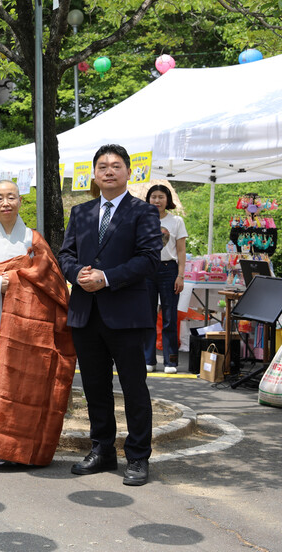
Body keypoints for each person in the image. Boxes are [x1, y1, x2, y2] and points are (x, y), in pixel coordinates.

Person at [58, 144, 162, 487]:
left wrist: (107, 277)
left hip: (127, 314)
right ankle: (102, 449)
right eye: (102, 166)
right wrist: (78, 275)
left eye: (116, 166)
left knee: (134, 387)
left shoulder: (143, 212)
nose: (108, 171)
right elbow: (66, 255)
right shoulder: (81, 212)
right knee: (95, 387)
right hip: (86, 313)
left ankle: (137, 456)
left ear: (129, 172)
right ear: (94, 173)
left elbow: (149, 259)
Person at [0, 181, 76, 467]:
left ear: (20, 201)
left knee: (26, 387)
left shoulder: (33, 240)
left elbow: (53, 282)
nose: (6, 202)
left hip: (27, 326)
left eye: (11, 197)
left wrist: (23, 283)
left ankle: (26, 450)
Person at [144, 184, 187, 374]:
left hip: (169, 270)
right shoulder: (142, 220)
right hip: (147, 270)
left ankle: (170, 362)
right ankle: (148, 360)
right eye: (153, 197)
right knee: (147, 317)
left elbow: (181, 251)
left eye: (161, 197)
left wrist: (181, 275)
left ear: (168, 200)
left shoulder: (176, 221)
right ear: (149, 199)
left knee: (169, 317)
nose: (157, 201)